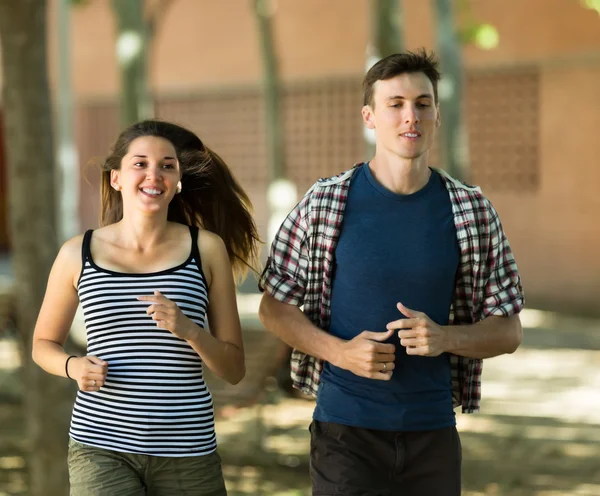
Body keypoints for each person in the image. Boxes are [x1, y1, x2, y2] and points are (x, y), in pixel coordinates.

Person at [258, 49, 524, 495]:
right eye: (395, 104)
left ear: (437, 114)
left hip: (432, 432)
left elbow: (509, 331)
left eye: (422, 104)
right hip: (345, 431)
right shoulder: (325, 203)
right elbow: (273, 307)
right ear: (370, 116)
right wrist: (339, 352)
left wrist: (445, 337)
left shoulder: (472, 210)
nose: (410, 117)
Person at [32, 120, 260, 495]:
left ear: (178, 180)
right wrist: (73, 366)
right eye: (140, 163)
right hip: (100, 446)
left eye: (167, 165)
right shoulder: (77, 253)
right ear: (116, 178)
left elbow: (233, 369)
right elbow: (42, 344)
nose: (154, 174)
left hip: (187, 449)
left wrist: (188, 329)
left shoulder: (206, 249)